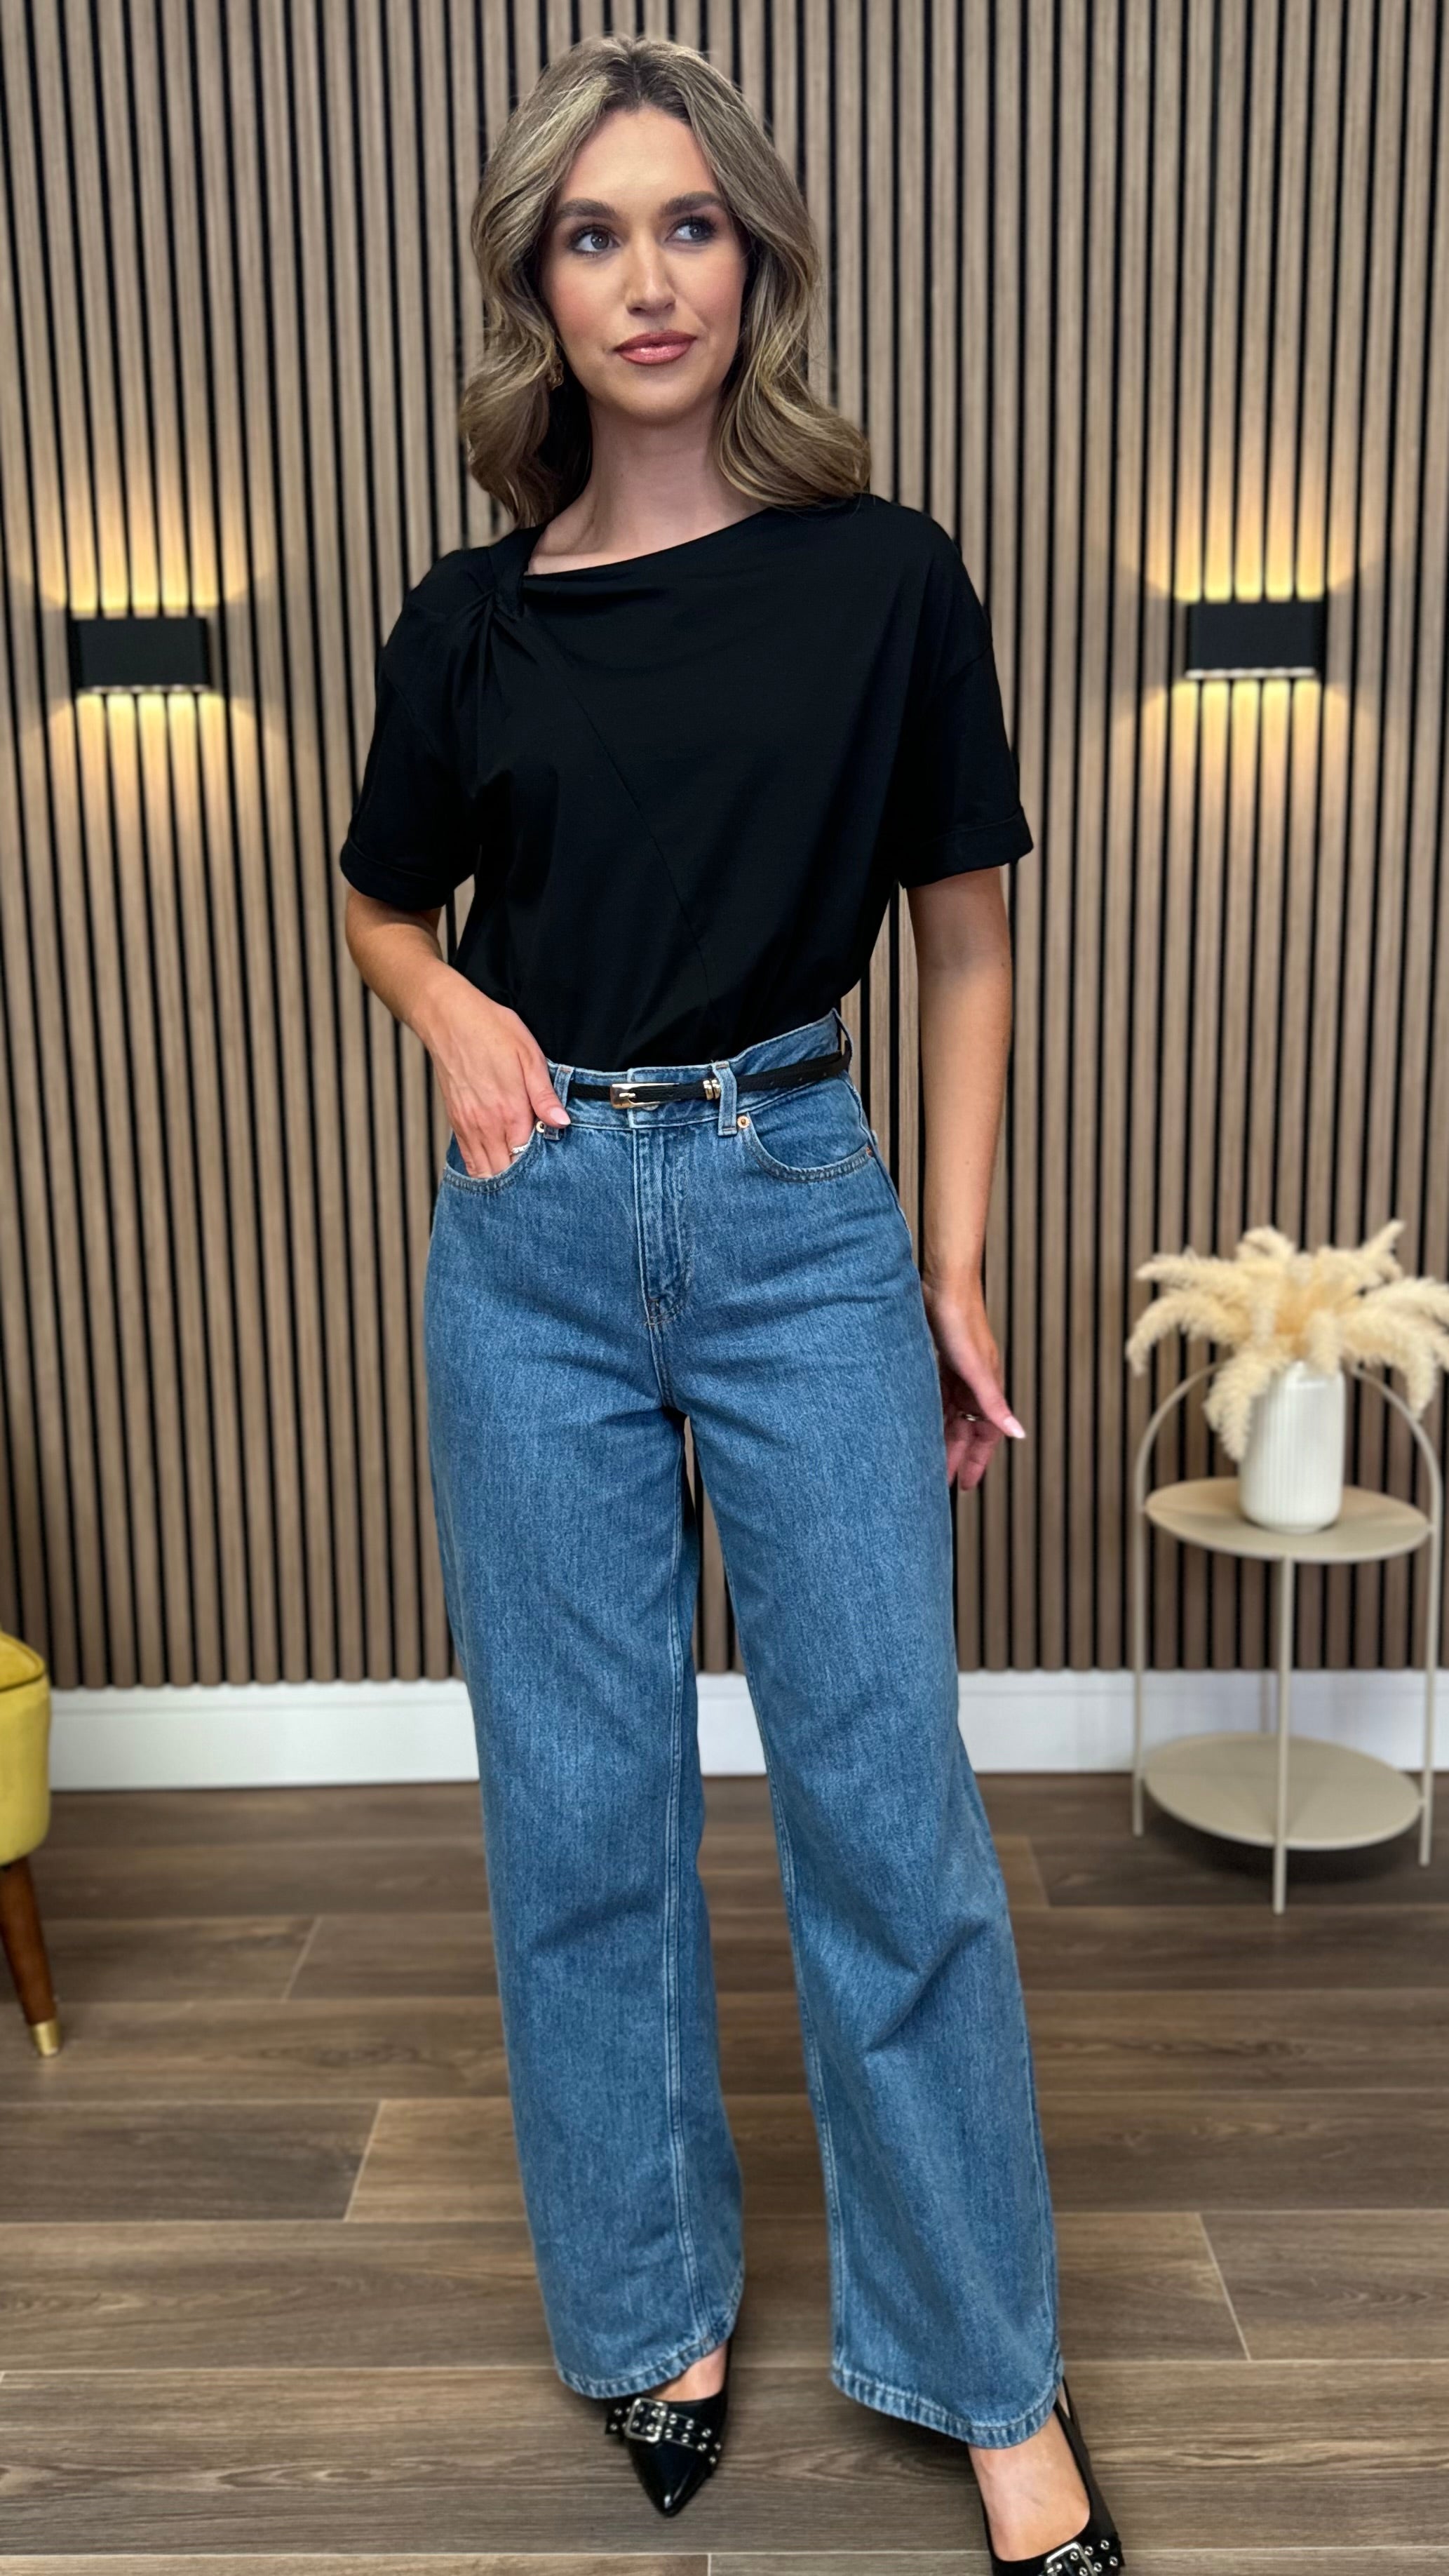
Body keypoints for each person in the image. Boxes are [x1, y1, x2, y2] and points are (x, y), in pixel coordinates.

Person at [339, 32, 1124, 2576]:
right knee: (581, 1819)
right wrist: (447, 1006)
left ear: (755, 260)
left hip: (797, 1212)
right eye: (593, 235)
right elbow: (379, 899)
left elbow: (964, 935)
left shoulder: (883, 578)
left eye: (687, 224)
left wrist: (948, 1264)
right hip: (536, 1240)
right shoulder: (469, 621)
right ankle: (649, 2308)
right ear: (536, 288)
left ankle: (984, 2373)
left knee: (888, 1815)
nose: (647, 276)